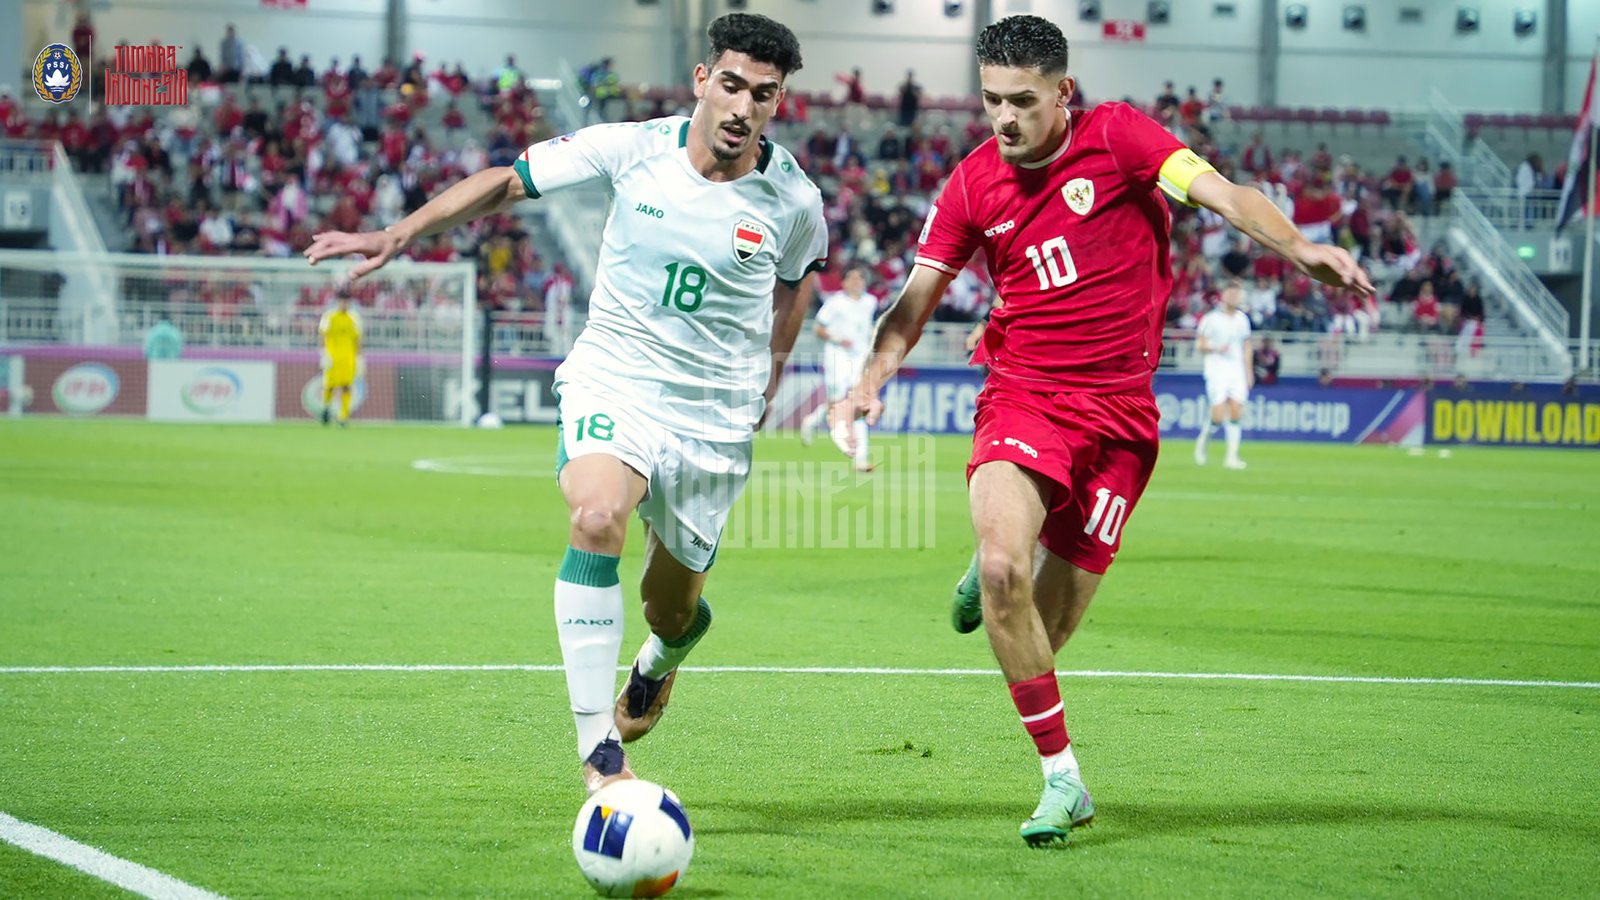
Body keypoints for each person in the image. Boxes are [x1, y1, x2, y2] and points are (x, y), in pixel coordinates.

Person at [833, 15, 1370, 846]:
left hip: (1123, 420)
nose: (1003, 119)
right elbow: (916, 297)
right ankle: (1064, 779)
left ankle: (1011, 562)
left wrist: (1301, 248)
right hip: (1025, 396)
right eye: (989, 101)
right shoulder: (974, 184)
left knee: (1045, 626)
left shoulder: (1121, 138)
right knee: (1006, 566)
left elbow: (1223, 195)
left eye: (1020, 101)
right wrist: (869, 378)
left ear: (1062, 93)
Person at [305, 13, 824, 794]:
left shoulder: (792, 198)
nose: (743, 107)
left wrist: (770, 378)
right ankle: (600, 754)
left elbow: (797, 286)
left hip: (712, 418)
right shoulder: (633, 148)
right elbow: (509, 181)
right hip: (616, 376)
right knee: (596, 517)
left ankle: (663, 659)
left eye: (764, 94)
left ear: (778, 102)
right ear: (701, 82)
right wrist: (402, 230)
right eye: (730, 85)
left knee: (670, 609)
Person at [799, 263, 877, 471]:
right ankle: (813, 421)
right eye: (851, 278)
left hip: (860, 358)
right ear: (843, 282)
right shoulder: (835, 303)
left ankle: (859, 458)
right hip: (837, 357)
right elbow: (818, 327)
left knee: (857, 402)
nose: (856, 282)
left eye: (859, 278)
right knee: (838, 402)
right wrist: (837, 338)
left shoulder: (870, 302)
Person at [1193, 283, 1253, 469]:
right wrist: (1216, 348)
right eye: (1231, 293)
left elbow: (1247, 347)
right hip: (1216, 369)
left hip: (1237, 370)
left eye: (1237, 294)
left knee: (1236, 411)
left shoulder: (1242, 320)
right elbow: (1199, 345)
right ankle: (1202, 443)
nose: (1234, 297)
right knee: (1218, 416)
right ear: (1223, 296)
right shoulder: (1211, 319)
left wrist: (1248, 371)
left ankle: (1231, 458)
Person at [318, 295, 361, 426]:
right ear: (338, 302)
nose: (344, 304)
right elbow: (322, 334)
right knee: (329, 385)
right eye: (342, 301)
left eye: (347, 301)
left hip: (348, 358)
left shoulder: (353, 318)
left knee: (346, 386)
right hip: (332, 357)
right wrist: (323, 353)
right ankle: (326, 408)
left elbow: (358, 339)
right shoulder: (329, 317)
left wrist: (359, 357)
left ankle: (343, 416)